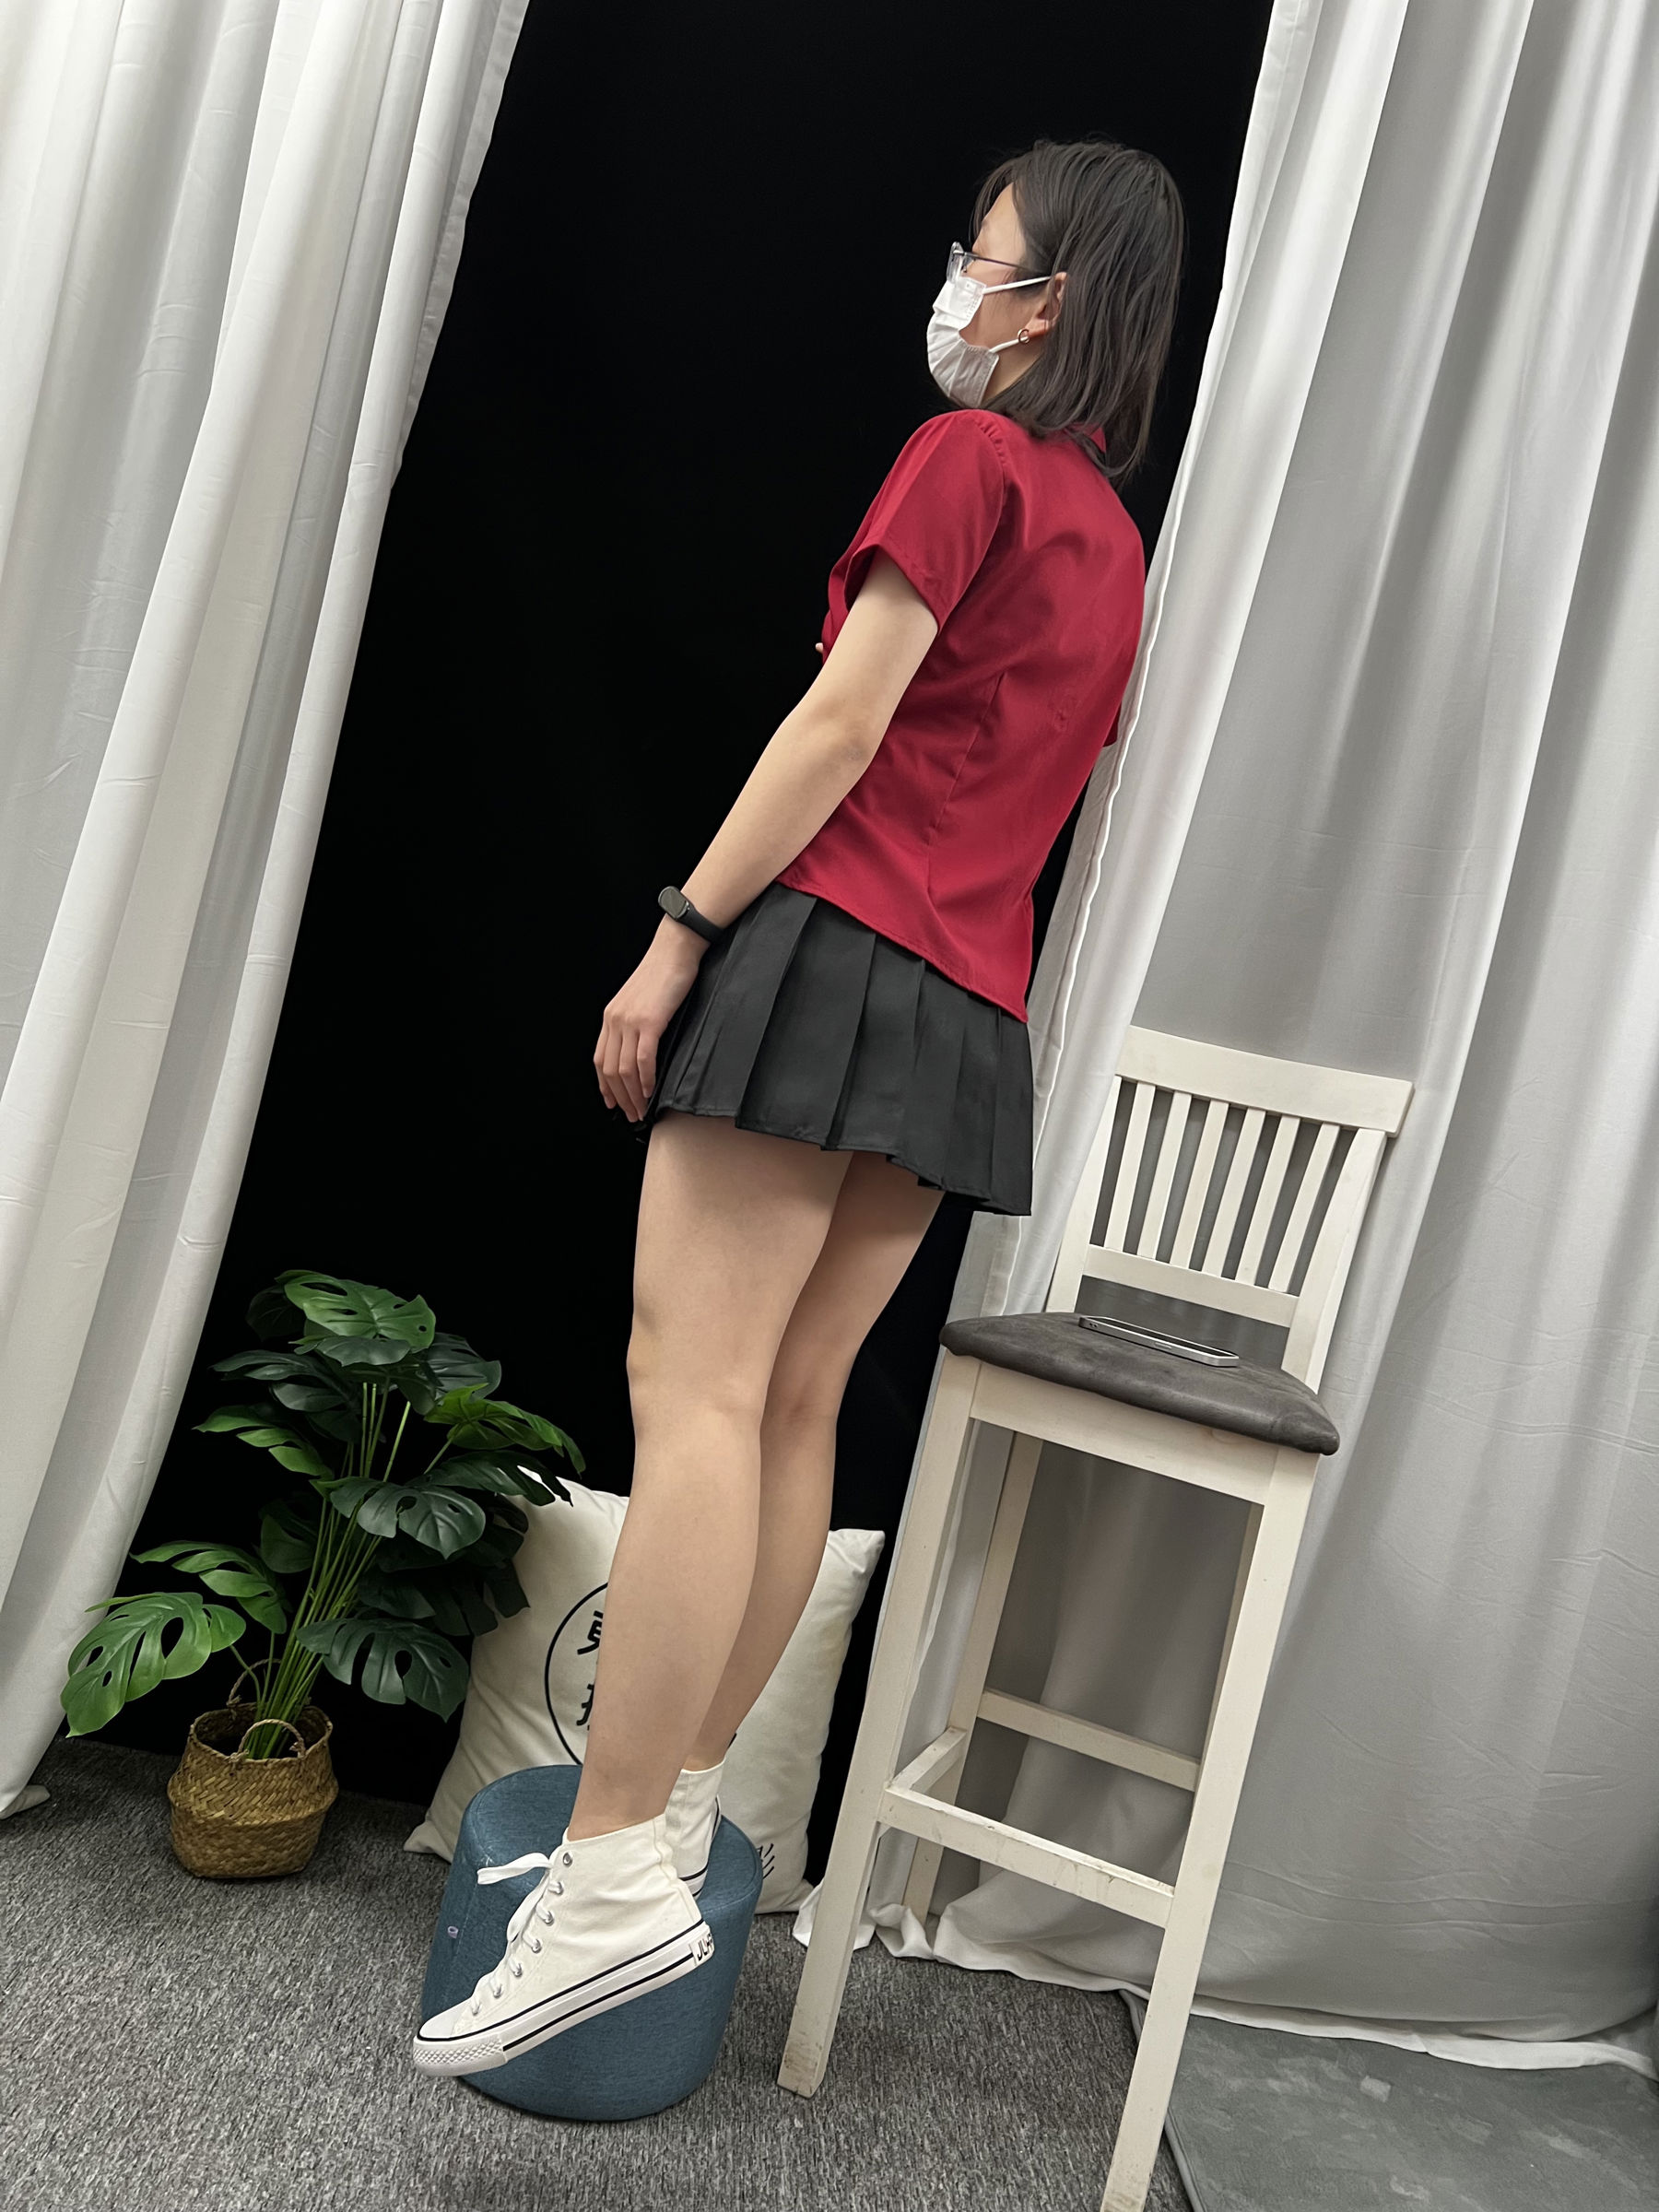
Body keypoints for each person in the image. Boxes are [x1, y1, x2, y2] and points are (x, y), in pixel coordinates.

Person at [414, 135, 1184, 2077]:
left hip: (837, 951)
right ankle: (670, 1823)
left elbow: (843, 722)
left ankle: (606, 1877)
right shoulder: (1116, 546)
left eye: (982, 256)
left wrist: (680, 932)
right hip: (963, 1008)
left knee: (692, 1389)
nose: (958, 282)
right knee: (791, 1408)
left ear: (1052, 303)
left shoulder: (968, 459)